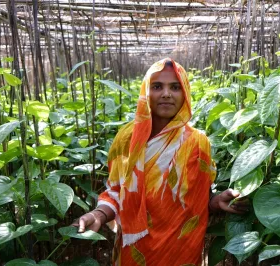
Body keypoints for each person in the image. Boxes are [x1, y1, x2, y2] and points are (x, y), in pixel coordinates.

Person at [73, 58, 248, 265]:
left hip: (182, 249)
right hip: (135, 250)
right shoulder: (127, 138)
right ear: (146, 91)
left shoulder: (198, 143)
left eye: (175, 87)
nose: (166, 94)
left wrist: (216, 202)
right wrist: (99, 214)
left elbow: (198, 200)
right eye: (157, 86)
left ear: (185, 93)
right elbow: (116, 191)